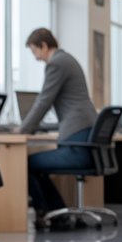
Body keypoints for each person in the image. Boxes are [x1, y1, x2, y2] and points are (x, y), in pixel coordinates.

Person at [20, 28, 98, 230]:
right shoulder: (68, 60)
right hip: (83, 136)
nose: (36, 57)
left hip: (77, 145)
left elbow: (43, 102)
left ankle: (48, 213)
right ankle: (57, 214)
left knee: (25, 163)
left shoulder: (56, 63)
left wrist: (22, 131)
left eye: (34, 51)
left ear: (44, 45)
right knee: (36, 165)